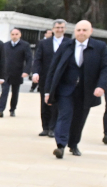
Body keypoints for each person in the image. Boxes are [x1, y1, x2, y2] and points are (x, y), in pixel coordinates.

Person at [43, 20, 107, 158]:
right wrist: (48, 91)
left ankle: (73, 144)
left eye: (84, 30)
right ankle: (60, 145)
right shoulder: (66, 46)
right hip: (65, 89)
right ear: (74, 32)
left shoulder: (100, 47)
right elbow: (53, 68)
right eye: (78, 30)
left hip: (86, 90)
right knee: (64, 115)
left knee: (79, 119)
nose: (81, 33)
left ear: (91, 32)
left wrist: (101, 86)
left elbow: (105, 68)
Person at [31, 20, 69, 137]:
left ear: (65, 29)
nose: (59, 30)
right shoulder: (44, 43)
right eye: (57, 27)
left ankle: (53, 127)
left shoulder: (69, 43)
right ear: (53, 29)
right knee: (45, 102)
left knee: (57, 104)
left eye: (62, 27)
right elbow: (38, 59)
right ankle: (45, 127)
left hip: (62, 78)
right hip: (45, 77)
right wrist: (35, 72)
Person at [0, 28, 32, 117]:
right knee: (4, 91)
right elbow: (0, 59)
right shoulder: (5, 45)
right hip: (6, 73)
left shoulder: (25, 45)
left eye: (16, 34)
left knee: (15, 92)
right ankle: (0, 109)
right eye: (13, 34)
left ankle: (12, 109)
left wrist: (26, 71)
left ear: (20, 35)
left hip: (18, 72)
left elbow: (29, 59)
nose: (14, 36)